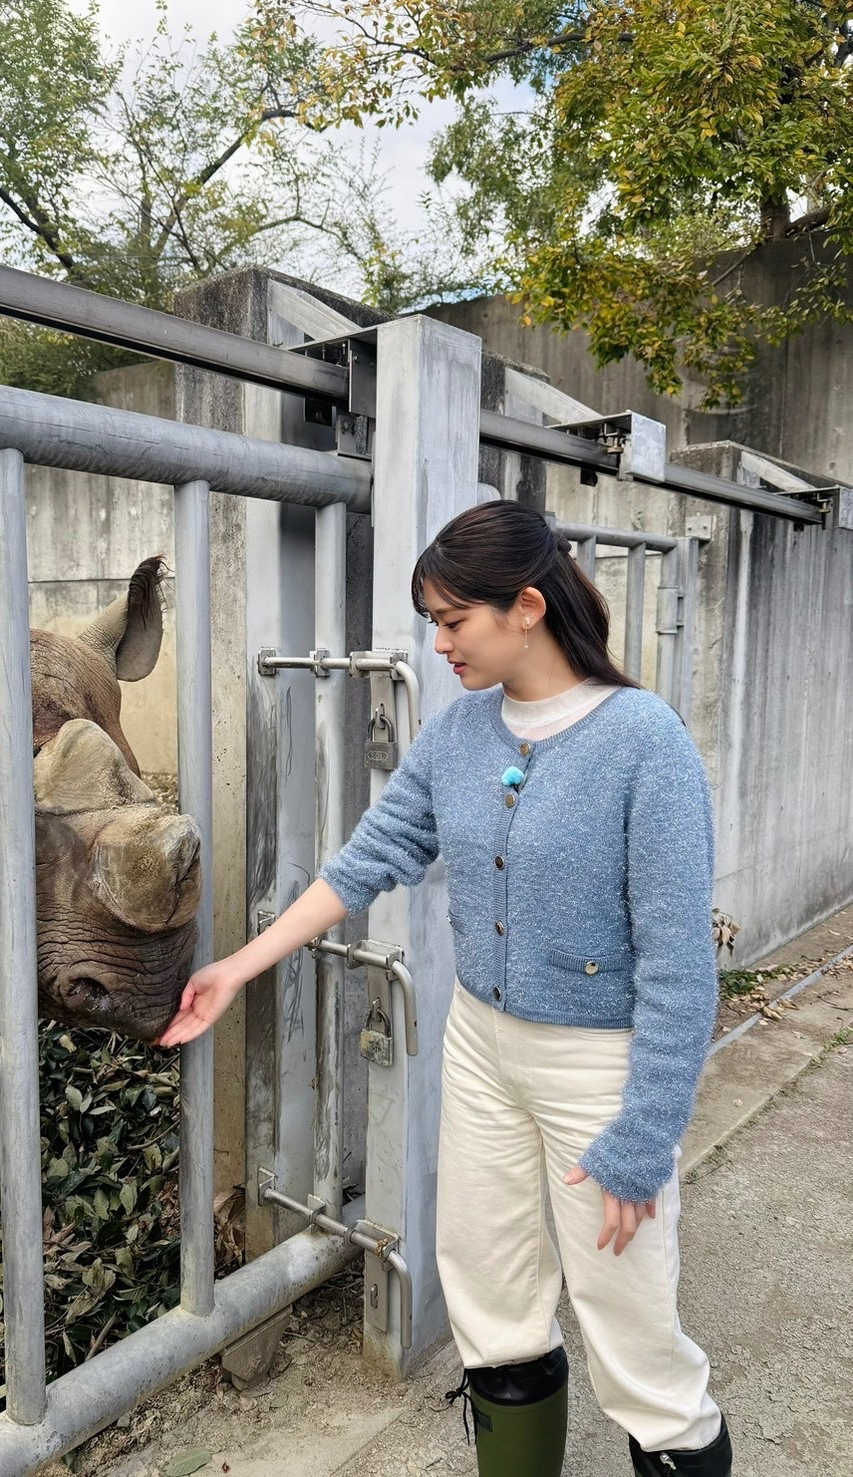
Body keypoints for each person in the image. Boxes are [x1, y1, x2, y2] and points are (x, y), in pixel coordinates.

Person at [159, 500, 732, 1476]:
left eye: (451, 619)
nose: (437, 643)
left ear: (525, 607)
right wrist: (236, 966)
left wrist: (643, 1136)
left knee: (632, 1332)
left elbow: (680, 964)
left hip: (602, 1069)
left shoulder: (644, 741)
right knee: (492, 1299)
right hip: (480, 1051)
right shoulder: (462, 734)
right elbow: (366, 861)